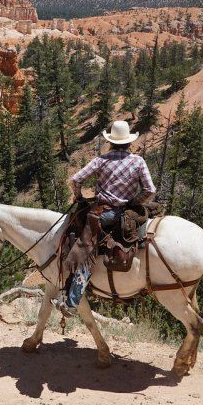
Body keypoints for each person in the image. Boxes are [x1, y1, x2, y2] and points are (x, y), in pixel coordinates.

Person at [57, 120, 156, 316]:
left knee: (85, 248)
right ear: (129, 142)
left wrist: (78, 196)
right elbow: (150, 190)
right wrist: (133, 202)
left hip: (103, 214)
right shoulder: (138, 161)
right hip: (126, 213)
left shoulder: (101, 160)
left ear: (110, 141)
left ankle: (72, 302)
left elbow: (75, 179)